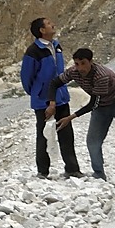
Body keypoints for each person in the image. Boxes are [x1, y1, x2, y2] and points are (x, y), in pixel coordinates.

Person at [45, 49, 115, 180]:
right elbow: (55, 83)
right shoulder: (73, 72)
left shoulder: (101, 75)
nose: (80, 68)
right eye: (77, 64)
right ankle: (99, 174)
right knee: (93, 141)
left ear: (91, 62)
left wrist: (71, 117)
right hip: (101, 106)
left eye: (83, 63)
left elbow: (93, 103)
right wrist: (52, 103)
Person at [20, 17, 82, 179]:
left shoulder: (56, 46)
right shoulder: (33, 51)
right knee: (44, 135)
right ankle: (42, 171)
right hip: (43, 101)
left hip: (61, 96)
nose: (52, 24)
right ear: (41, 30)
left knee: (67, 133)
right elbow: (27, 78)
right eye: (48, 23)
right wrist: (38, 92)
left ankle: (72, 168)